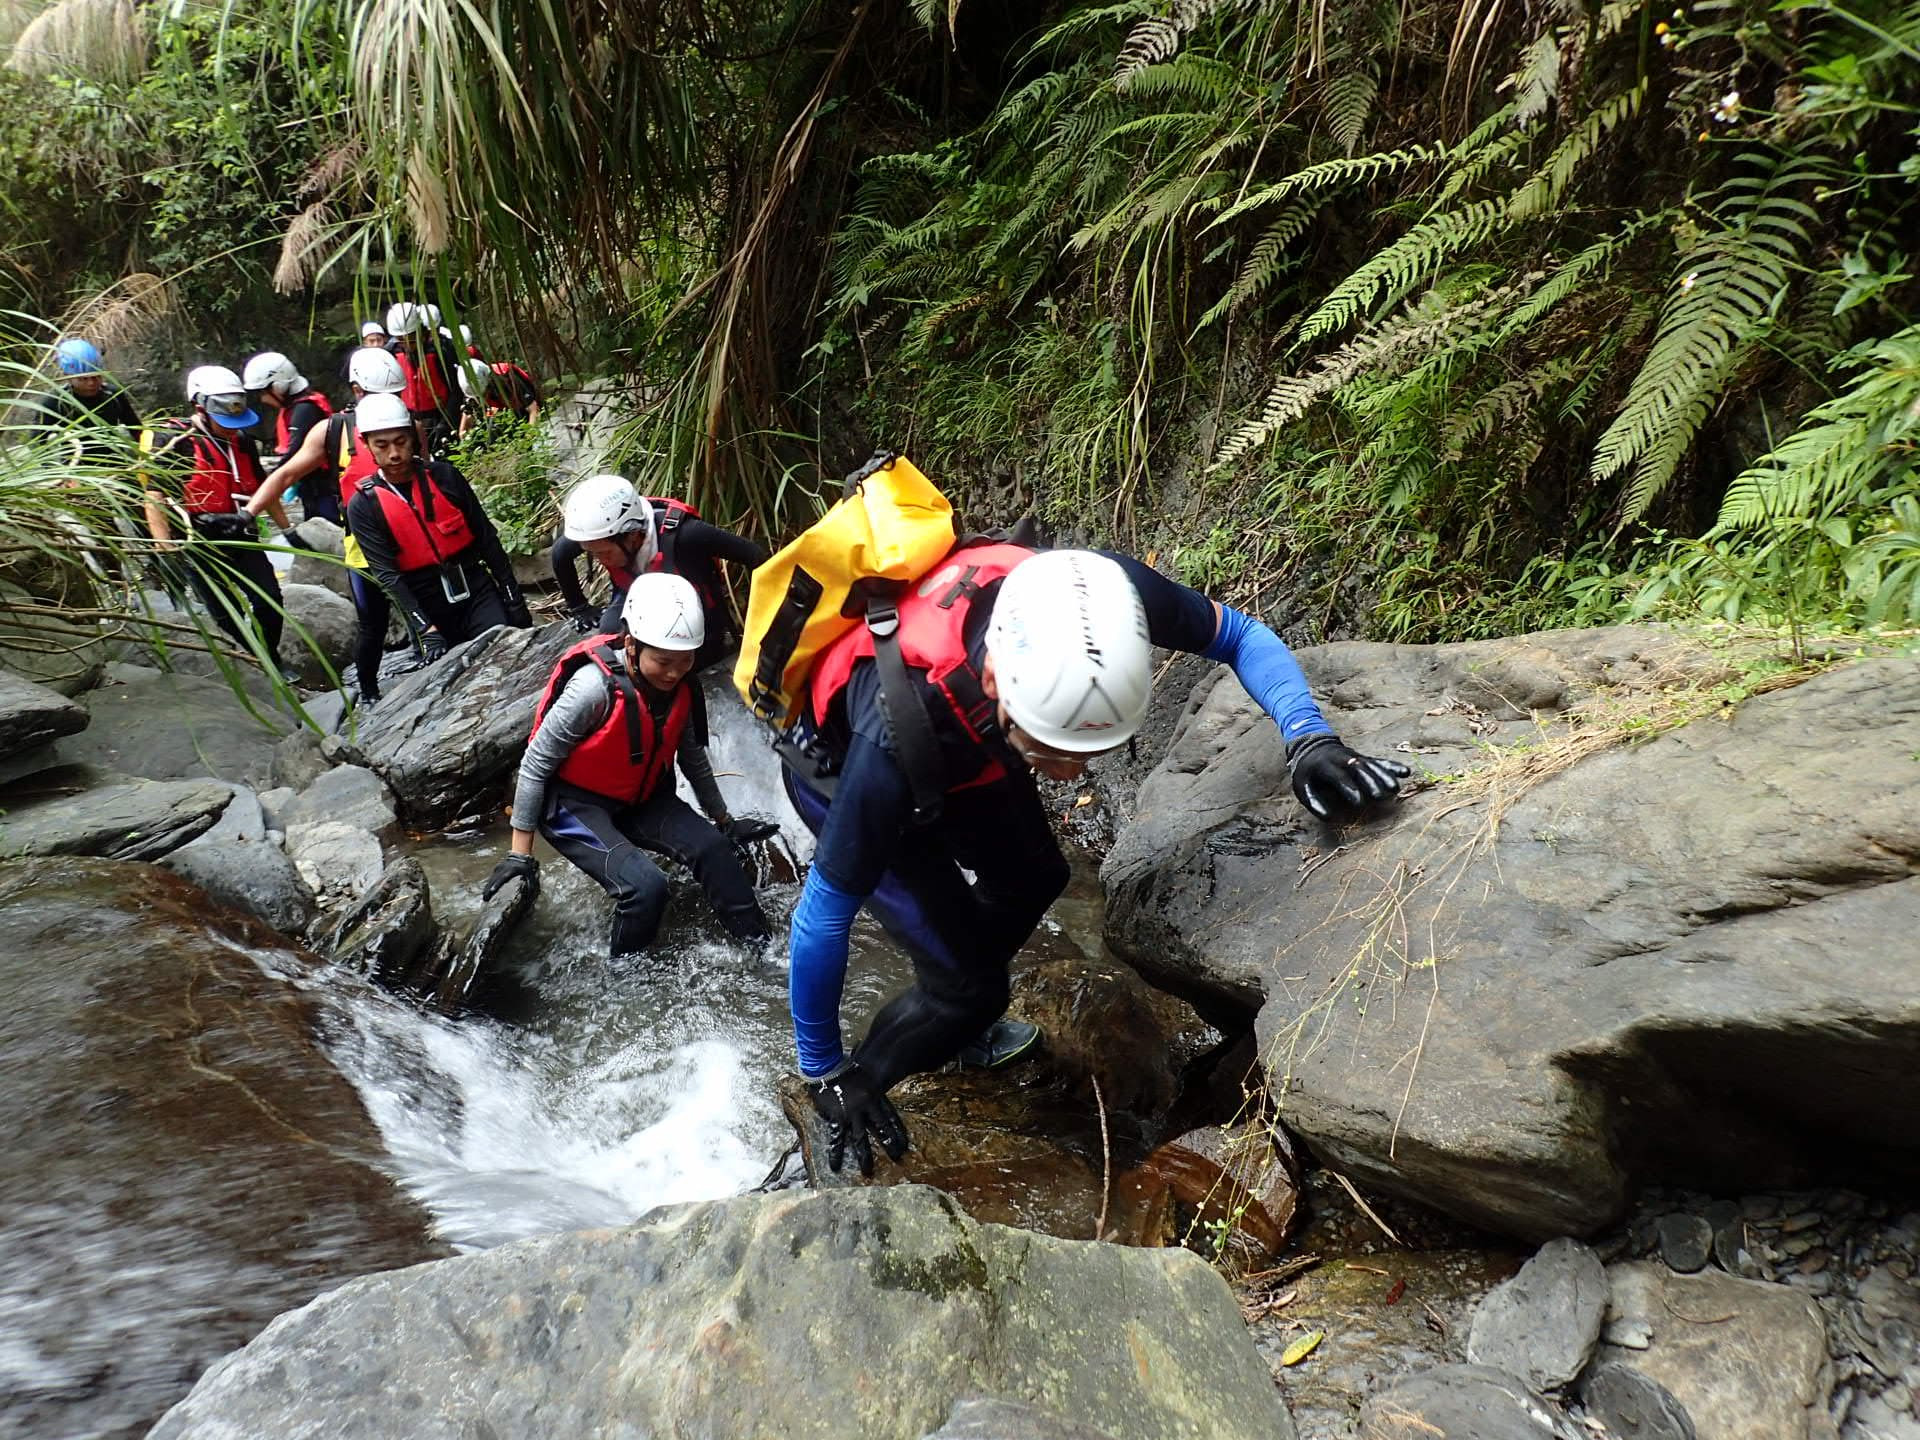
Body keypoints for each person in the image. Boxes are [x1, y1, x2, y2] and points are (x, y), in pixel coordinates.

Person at [780, 544, 1412, 1177]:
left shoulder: (1102, 599)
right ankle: (874, 1071)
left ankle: (952, 1012)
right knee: (972, 992)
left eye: (1087, 752)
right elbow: (821, 919)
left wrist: (1309, 739)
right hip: (849, 773)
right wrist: (823, 1070)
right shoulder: (891, 741)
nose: (1070, 774)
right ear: (996, 679)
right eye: (1054, 752)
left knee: (1036, 878)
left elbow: (1240, 636)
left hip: (980, 734)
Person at [484, 573, 771, 958]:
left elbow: (693, 760)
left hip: (641, 798)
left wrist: (724, 821)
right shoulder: (592, 689)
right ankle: (624, 973)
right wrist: (520, 855)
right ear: (632, 644)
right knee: (646, 888)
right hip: (573, 805)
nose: (674, 672)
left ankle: (765, 953)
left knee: (717, 851)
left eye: (685, 660)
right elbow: (535, 764)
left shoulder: (682, 688)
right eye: (663, 661)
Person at [245, 348, 408, 704]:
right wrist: (250, 512)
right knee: (372, 623)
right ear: (358, 390)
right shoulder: (332, 430)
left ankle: (427, 656)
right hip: (363, 542)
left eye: (395, 395)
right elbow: (286, 473)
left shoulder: (408, 426)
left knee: (424, 605)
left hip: (408, 535)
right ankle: (369, 692)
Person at [343, 392, 531, 660]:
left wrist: (513, 598)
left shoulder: (445, 477)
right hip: (425, 604)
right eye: (382, 445)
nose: (394, 454)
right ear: (366, 444)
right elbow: (388, 575)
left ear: (413, 437)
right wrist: (425, 629)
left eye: (401, 442)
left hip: (474, 587)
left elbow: (486, 538)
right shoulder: (362, 506)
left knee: (504, 651)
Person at [137, 366, 288, 676]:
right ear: (200, 409)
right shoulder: (176, 441)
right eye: (225, 422)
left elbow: (264, 488)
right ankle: (255, 665)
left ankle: (270, 656)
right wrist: (165, 549)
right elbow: (155, 496)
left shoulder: (242, 441)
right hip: (199, 542)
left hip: (239, 530)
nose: (232, 429)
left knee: (270, 600)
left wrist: (289, 530)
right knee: (225, 613)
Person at [550, 474, 767, 670]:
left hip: (694, 619)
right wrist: (579, 607)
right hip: (635, 597)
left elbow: (755, 556)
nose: (600, 560)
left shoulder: (687, 535)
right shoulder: (601, 535)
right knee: (609, 638)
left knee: (665, 660)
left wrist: (764, 617)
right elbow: (560, 553)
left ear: (632, 534)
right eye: (593, 554)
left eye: (604, 553)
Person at [241, 352, 338, 520]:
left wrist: (270, 483)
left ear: (278, 386)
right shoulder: (298, 408)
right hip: (314, 490)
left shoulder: (305, 410)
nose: (263, 399)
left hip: (324, 492)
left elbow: (294, 454)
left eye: (263, 393)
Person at [34, 338, 138, 460]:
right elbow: (37, 444)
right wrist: (54, 470)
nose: (91, 383)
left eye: (96, 376)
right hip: (76, 466)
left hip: (117, 462)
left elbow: (136, 427)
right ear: (68, 376)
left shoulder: (113, 395)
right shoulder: (54, 403)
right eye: (83, 379)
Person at [384, 302, 462, 457]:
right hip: (409, 420)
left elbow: (456, 389)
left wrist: (446, 423)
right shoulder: (391, 354)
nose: (407, 344)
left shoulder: (440, 350)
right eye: (401, 339)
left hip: (440, 416)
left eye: (411, 339)